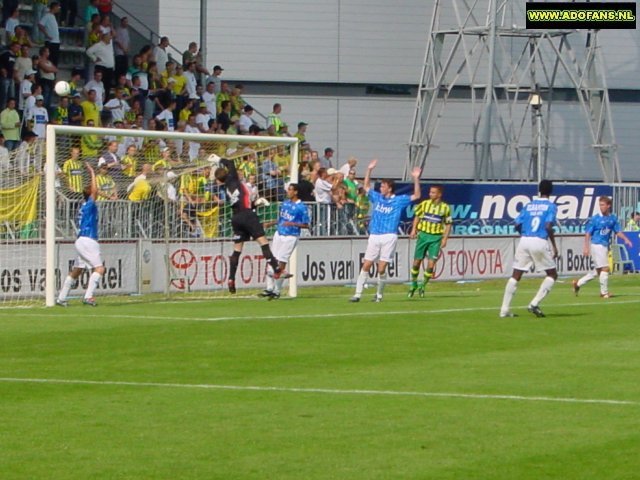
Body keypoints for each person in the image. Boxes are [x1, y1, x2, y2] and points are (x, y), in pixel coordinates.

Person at [350, 160, 421, 303]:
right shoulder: (377, 197)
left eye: (383, 186)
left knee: (381, 268)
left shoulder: (399, 200)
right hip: (375, 235)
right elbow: (366, 186)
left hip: (389, 235)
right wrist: (369, 170)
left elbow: (417, 196)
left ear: (389, 188)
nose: (381, 188)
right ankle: (357, 294)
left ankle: (379, 295)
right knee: (366, 264)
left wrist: (416, 178)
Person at [214, 158, 283, 294]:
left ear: (219, 180)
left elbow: (240, 202)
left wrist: (255, 203)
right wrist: (219, 159)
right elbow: (231, 163)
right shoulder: (232, 179)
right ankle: (276, 268)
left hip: (236, 218)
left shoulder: (226, 188)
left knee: (237, 250)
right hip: (247, 215)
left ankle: (231, 278)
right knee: (263, 242)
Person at [499, 180, 558, 318]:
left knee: (516, 275)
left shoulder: (529, 205)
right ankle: (534, 303)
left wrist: (525, 235)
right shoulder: (551, 206)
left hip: (524, 240)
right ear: (550, 191)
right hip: (539, 240)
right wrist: (554, 246)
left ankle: (504, 309)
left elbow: (517, 223)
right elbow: (549, 226)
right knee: (552, 274)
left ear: (539, 190)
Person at [57, 163, 105, 307]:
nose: (96, 192)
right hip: (88, 240)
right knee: (99, 268)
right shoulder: (90, 205)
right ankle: (88, 297)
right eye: (94, 191)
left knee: (77, 270)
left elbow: (94, 191)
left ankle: (61, 298)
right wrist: (92, 173)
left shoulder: (84, 206)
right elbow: (95, 190)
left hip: (81, 241)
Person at [572, 196, 633, 298]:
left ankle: (577, 284)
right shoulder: (595, 219)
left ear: (608, 205)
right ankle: (604, 293)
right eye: (600, 205)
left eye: (603, 205)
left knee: (597, 271)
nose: (601, 207)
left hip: (604, 246)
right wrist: (586, 247)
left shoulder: (612, 218)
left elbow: (617, 231)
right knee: (605, 268)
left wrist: (626, 239)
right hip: (597, 245)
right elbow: (587, 234)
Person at [260, 183, 310, 299]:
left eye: (290, 190)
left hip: (291, 236)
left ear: (296, 192)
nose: (288, 192)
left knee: (281, 261)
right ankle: (269, 288)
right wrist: (270, 223)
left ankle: (277, 290)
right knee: (271, 259)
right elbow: (281, 219)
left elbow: (306, 224)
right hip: (279, 233)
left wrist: (293, 223)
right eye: (288, 190)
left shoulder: (301, 207)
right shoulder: (285, 203)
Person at [408, 184, 452, 298]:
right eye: (430, 192)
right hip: (423, 236)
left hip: (436, 238)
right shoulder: (424, 204)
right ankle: (413, 284)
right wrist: (414, 229)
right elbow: (417, 216)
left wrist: (445, 238)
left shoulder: (445, 208)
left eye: (433, 192)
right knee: (417, 262)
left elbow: (448, 224)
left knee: (431, 264)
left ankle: (423, 285)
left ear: (439, 194)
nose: (430, 194)